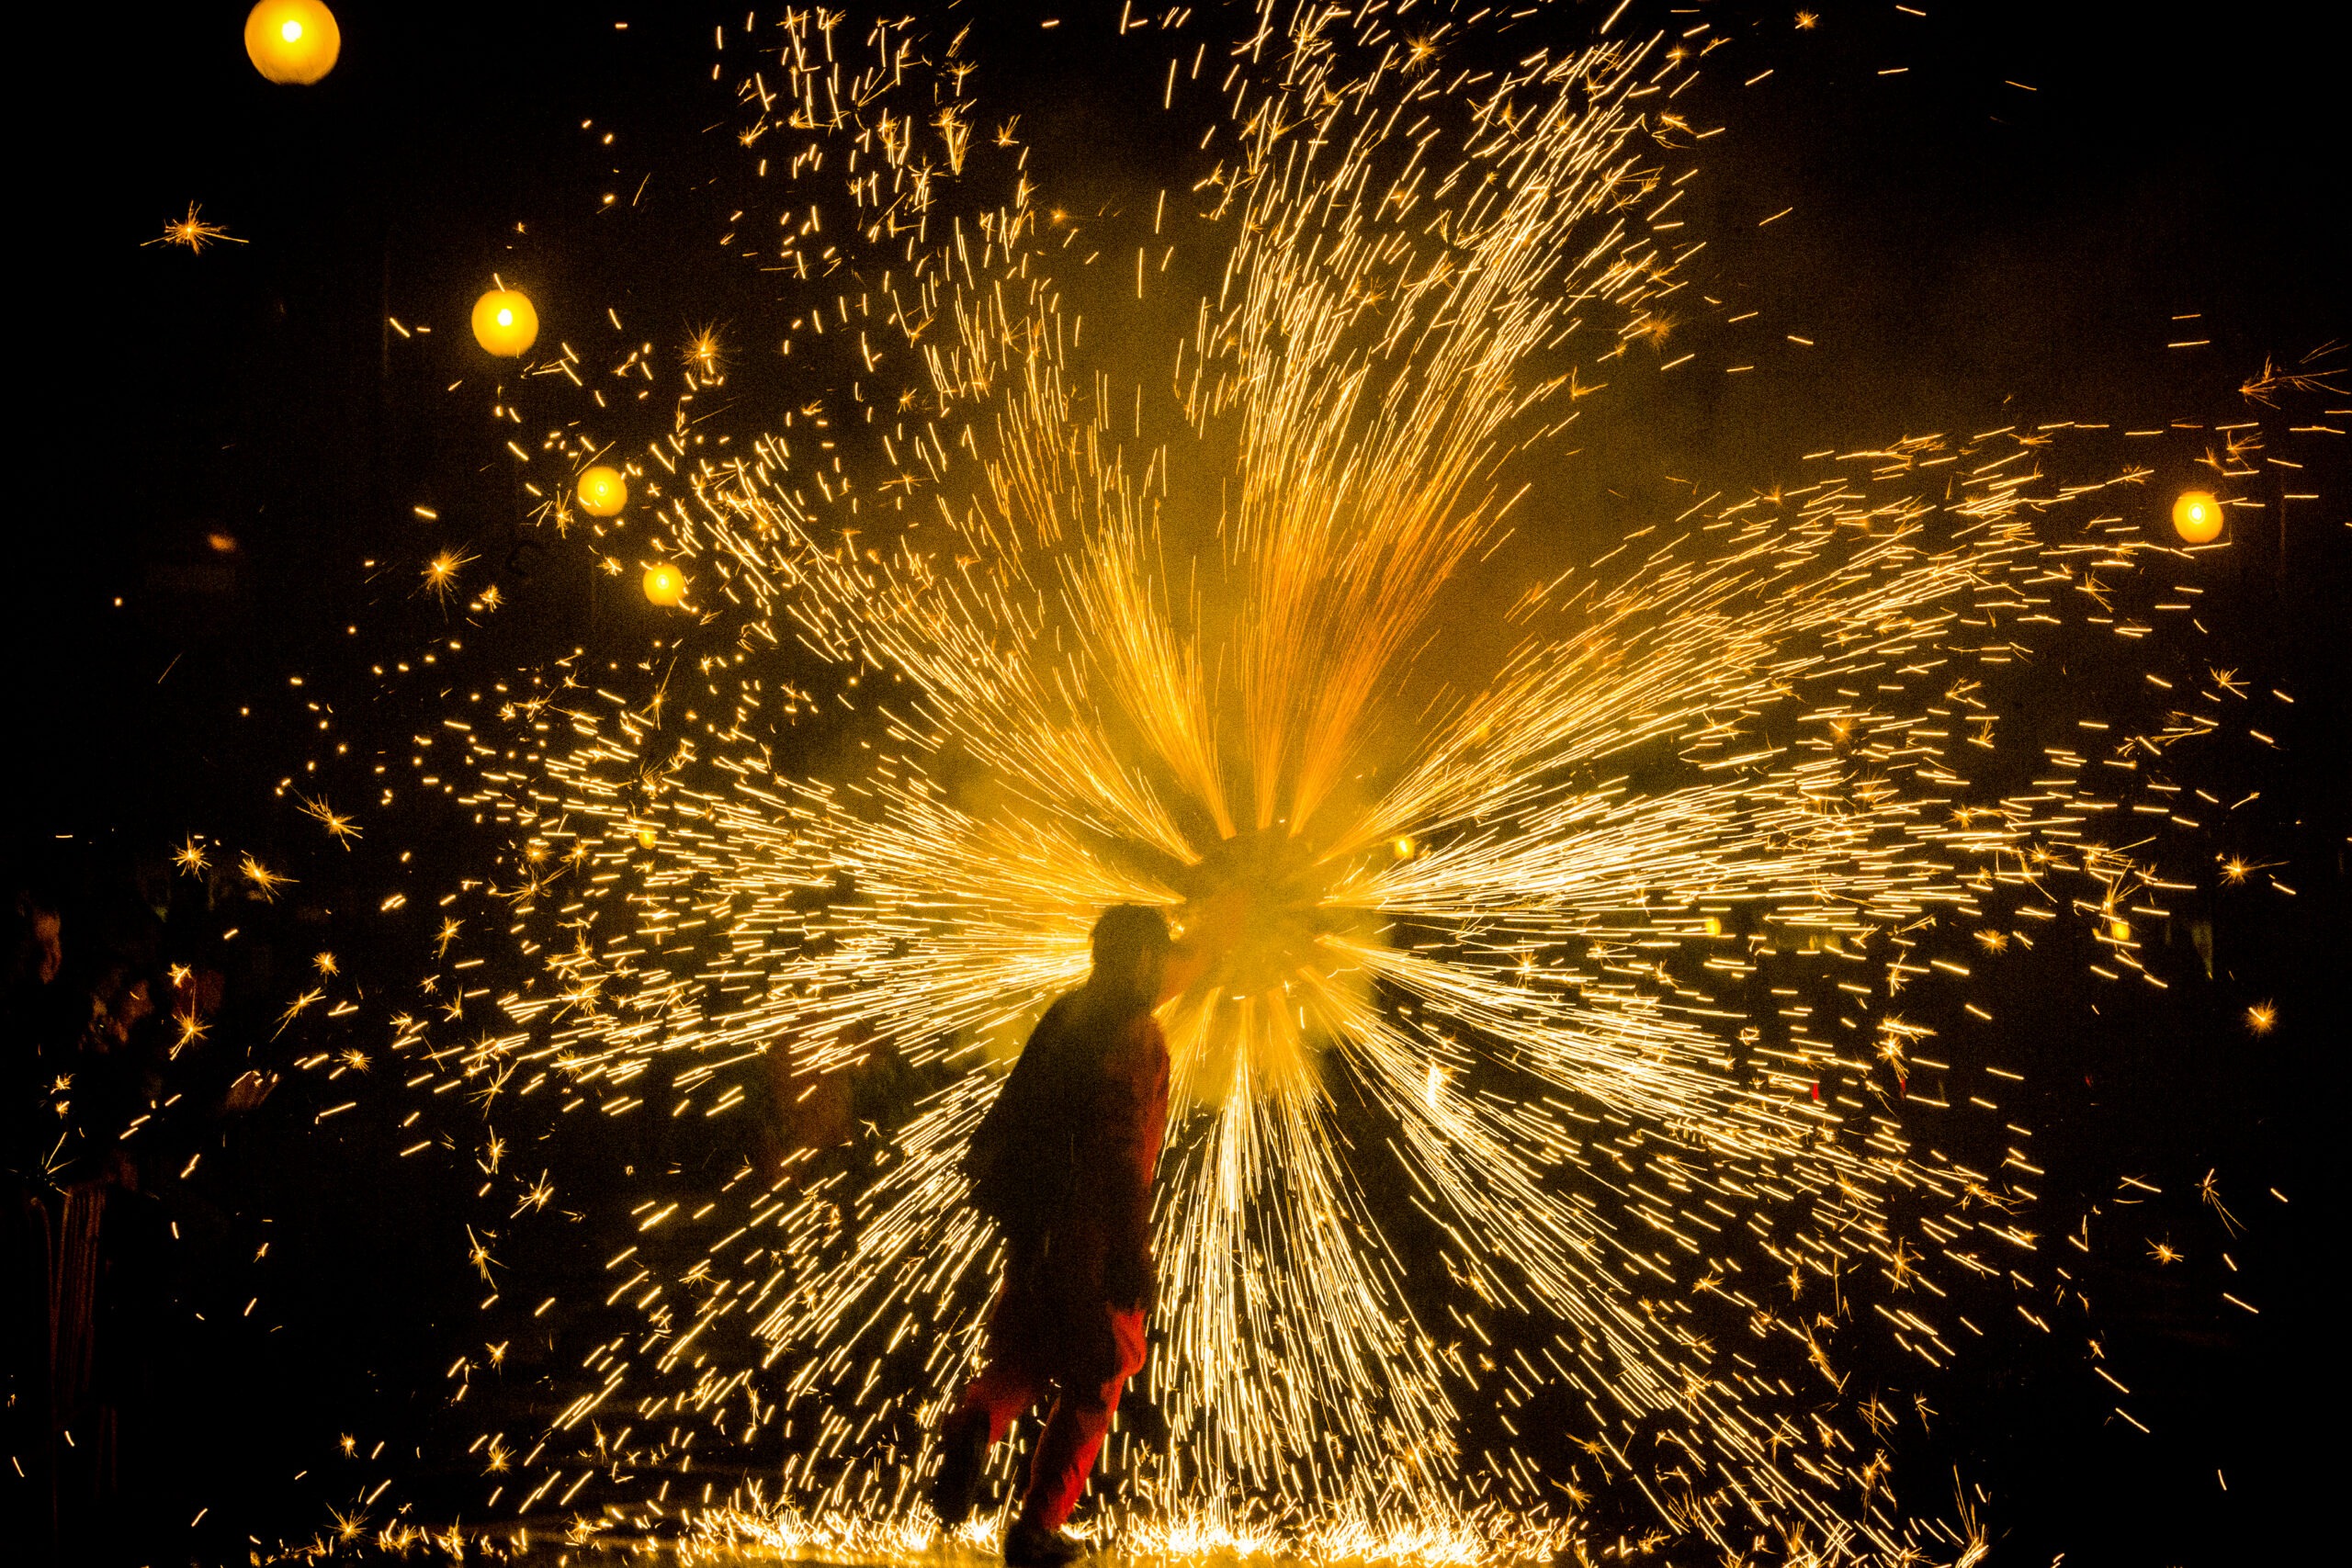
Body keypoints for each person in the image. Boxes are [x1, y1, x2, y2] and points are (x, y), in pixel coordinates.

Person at [931, 905, 1177, 1566]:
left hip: (1035, 1225)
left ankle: (974, 1421)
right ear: (1142, 959)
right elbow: (1122, 1149)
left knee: (1027, 1355)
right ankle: (1037, 1526)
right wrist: (1133, 1247)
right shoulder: (1134, 1033)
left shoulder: (1068, 1013)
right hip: (1092, 1232)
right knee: (1100, 1374)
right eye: (1159, 955)